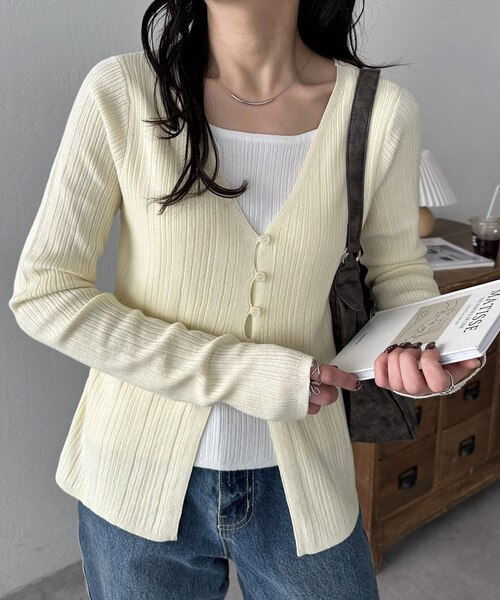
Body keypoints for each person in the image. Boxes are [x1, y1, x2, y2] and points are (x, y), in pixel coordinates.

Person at [9, 0, 485, 598]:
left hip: (304, 478)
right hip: (133, 470)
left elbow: (397, 271)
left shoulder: (381, 112)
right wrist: (246, 374)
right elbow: (47, 293)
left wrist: (429, 348)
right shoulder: (123, 92)